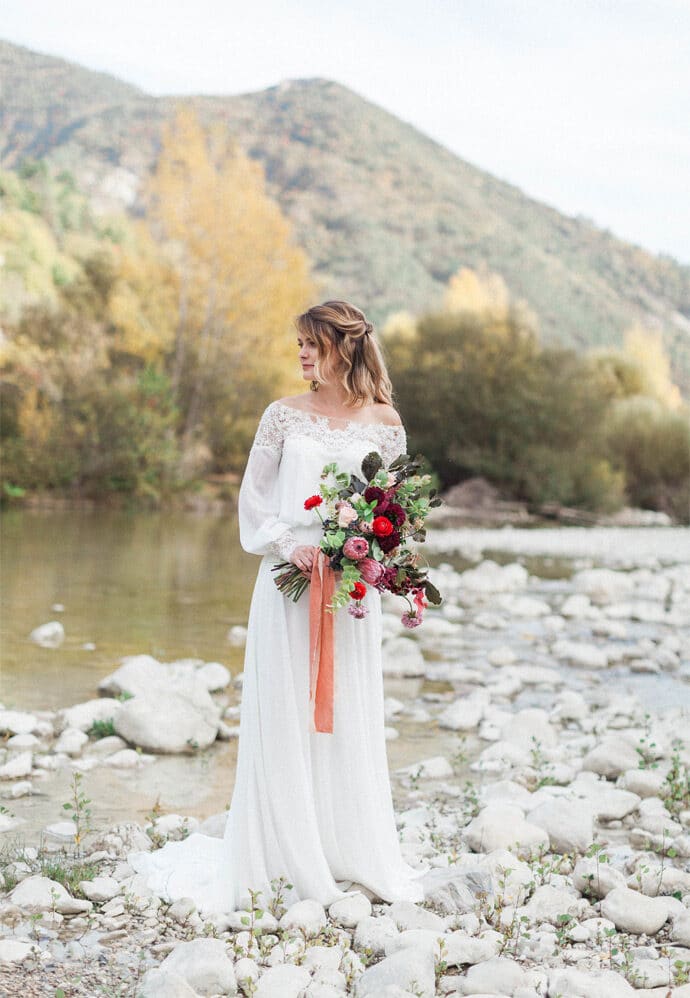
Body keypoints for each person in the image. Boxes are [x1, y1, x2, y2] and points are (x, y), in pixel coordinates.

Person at [129, 300, 430, 913]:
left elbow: (393, 509)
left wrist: (370, 550)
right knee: (282, 709)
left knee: (347, 711)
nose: (301, 355)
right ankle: (278, 850)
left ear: (343, 348)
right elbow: (253, 500)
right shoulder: (282, 417)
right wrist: (287, 544)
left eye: (312, 344)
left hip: (350, 594)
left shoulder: (384, 421)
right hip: (286, 578)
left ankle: (345, 847)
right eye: (298, 344)